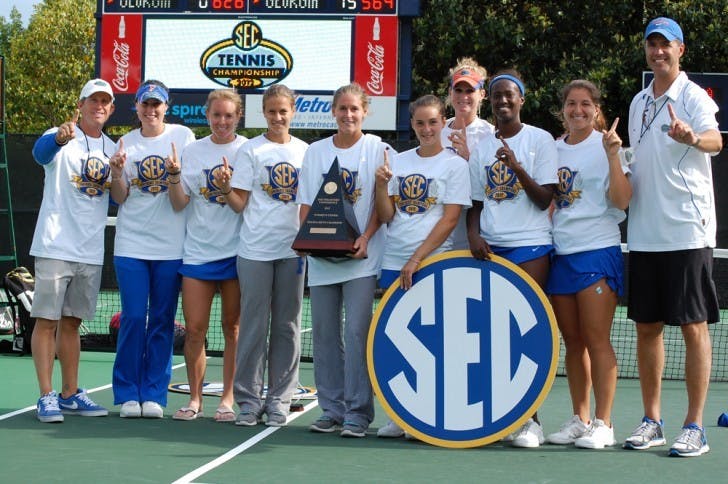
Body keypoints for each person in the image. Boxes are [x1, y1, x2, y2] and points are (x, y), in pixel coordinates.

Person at [622, 17, 722, 457]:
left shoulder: (694, 96)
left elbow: (716, 140)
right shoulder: (638, 101)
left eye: (666, 45)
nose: (658, 52)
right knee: (647, 328)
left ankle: (695, 426)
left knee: (693, 327)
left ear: (681, 49)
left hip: (687, 229)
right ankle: (652, 421)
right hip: (644, 233)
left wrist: (692, 136)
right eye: (652, 45)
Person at [467, 69, 558, 448]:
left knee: (527, 333)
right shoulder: (482, 147)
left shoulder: (541, 140)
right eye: (497, 96)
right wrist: (473, 234)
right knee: (491, 336)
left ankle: (531, 421)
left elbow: (543, 199)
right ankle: (499, 413)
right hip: (491, 250)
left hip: (531, 246)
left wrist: (517, 165)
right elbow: (475, 203)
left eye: (510, 95)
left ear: (522, 99)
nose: (503, 101)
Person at [375, 94, 472, 439]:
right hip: (393, 261)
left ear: (443, 123)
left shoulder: (455, 166)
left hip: (432, 263)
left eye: (433, 122)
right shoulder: (397, 162)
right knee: (396, 340)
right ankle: (399, 415)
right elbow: (387, 217)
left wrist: (417, 259)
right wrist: (381, 186)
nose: (427, 129)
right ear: (412, 125)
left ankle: (427, 413)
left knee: (432, 341)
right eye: (420, 123)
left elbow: (450, 219)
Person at [297, 83, 390, 438]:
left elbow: (383, 207)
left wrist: (365, 238)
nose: (348, 115)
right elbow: (307, 205)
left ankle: (358, 413)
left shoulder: (378, 149)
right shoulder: (317, 152)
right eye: (342, 109)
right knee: (323, 335)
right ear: (333, 112)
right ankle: (331, 409)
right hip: (322, 263)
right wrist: (307, 243)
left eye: (354, 109)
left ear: (365, 111)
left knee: (356, 334)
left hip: (362, 261)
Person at [544, 80, 631, 449]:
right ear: (562, 109)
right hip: (560, 254)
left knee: (597, 339)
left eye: (585, 104)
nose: (577, 110)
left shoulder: (609, 146)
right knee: (573, 342)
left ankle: (604, 423)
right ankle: (580, 418)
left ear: (596, 109)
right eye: (571, 104)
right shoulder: (551, 148)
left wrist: (613, 156)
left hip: (598, 251)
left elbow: (623, 201)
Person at [220, 85, 308, 428]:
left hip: (293, 252)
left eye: (283, 111)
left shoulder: (306, 151)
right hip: (255, 250)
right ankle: (248, 401)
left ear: (292, 111)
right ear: (263, 112)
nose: (277, 117)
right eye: (271, 111)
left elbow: (311, 204)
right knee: (254, 327)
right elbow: (240, 203)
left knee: (288, 327)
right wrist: (227, 188)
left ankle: (279, 401)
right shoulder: (251, 150)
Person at [29, 79, 115, 422]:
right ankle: (46, 396)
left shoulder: (114, 147)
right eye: (92, 100)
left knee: (72, 322)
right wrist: (60, 137)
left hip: (89, 249)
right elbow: (40, 153)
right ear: (80, 106)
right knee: (47, 320)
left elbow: (120, 192)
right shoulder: (60, 136)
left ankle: (69, 394)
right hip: (54, 244)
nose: (99, 106)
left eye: (105, 102)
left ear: (110, 109)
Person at [109, 80, 195, 419]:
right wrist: (116, 172)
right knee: (132, 317)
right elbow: (120, 197)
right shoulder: (125, 143)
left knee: (162, 320)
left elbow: (181, 199)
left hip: (172, 248)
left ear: (166, 106)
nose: (151, 110)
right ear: (138, 108)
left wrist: (174, 174)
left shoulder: (184, 138)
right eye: (145, 105)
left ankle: (155, 394)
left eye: (157, 104)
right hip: (131, 245)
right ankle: (128, 393)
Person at [165, 89, 247, 422]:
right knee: (195, 330)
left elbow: (244, 205)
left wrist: (227, 187)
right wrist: (172, 178)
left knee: (233, 329)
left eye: (229, 115)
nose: (222, 121)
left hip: (238, 254)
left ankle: (228, 398)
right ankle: (195, 399)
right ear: (207, 115)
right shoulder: (192, 151)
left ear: (238, 116)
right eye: (216, 115)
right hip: (197, 254)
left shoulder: (247, 151)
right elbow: (178, 202)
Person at [440, 57, 494, 250]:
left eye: (470, 90)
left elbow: (495, 185)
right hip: (439, 227)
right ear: (450, 93)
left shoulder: (490, 134)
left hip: (474, 230)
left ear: (482, 94)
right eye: (458, 90)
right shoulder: (437, 130)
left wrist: (469, 159)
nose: (464, 96)